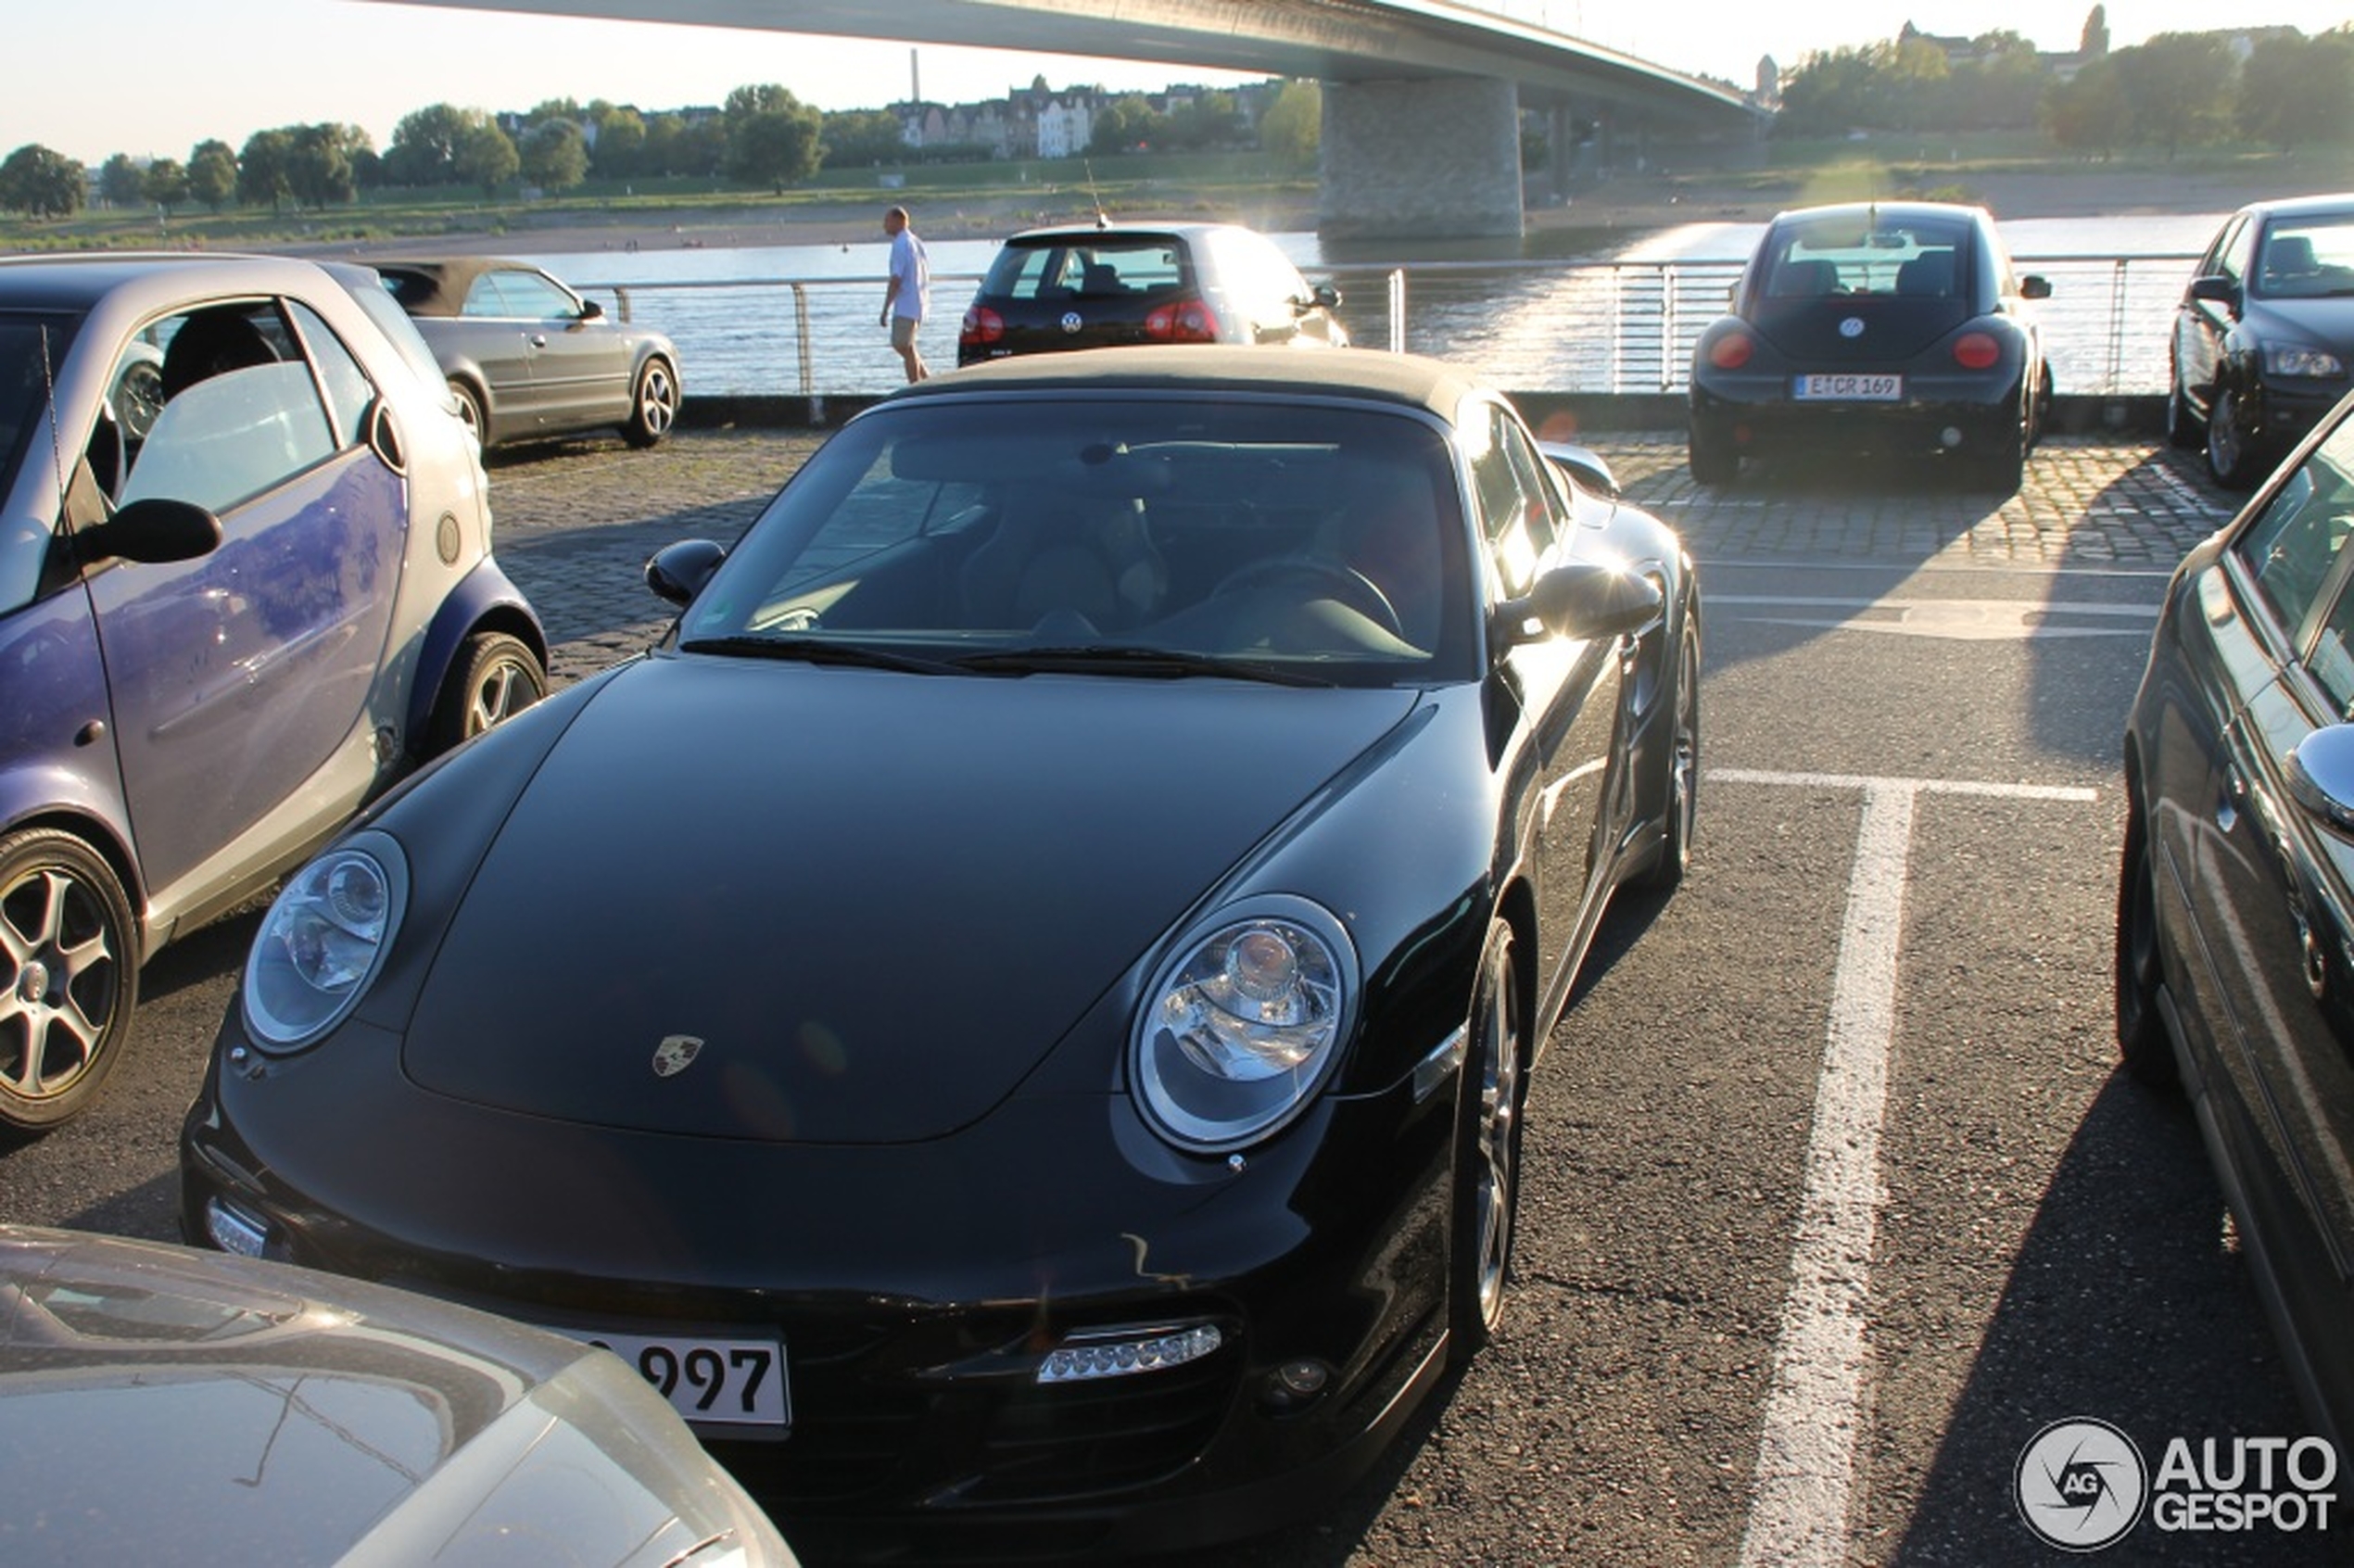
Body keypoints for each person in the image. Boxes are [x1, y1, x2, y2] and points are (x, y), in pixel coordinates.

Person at [880, 205, 930, 383]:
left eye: (887, 221)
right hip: (918, 302)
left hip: (907, 304)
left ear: (898, 221)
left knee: (902, 344)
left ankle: (917, 385)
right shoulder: (915, 242)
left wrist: (886, 308)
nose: (884, 225)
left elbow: (896, 279)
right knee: (907, 346)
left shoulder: (900, 244)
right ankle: (927, 380)